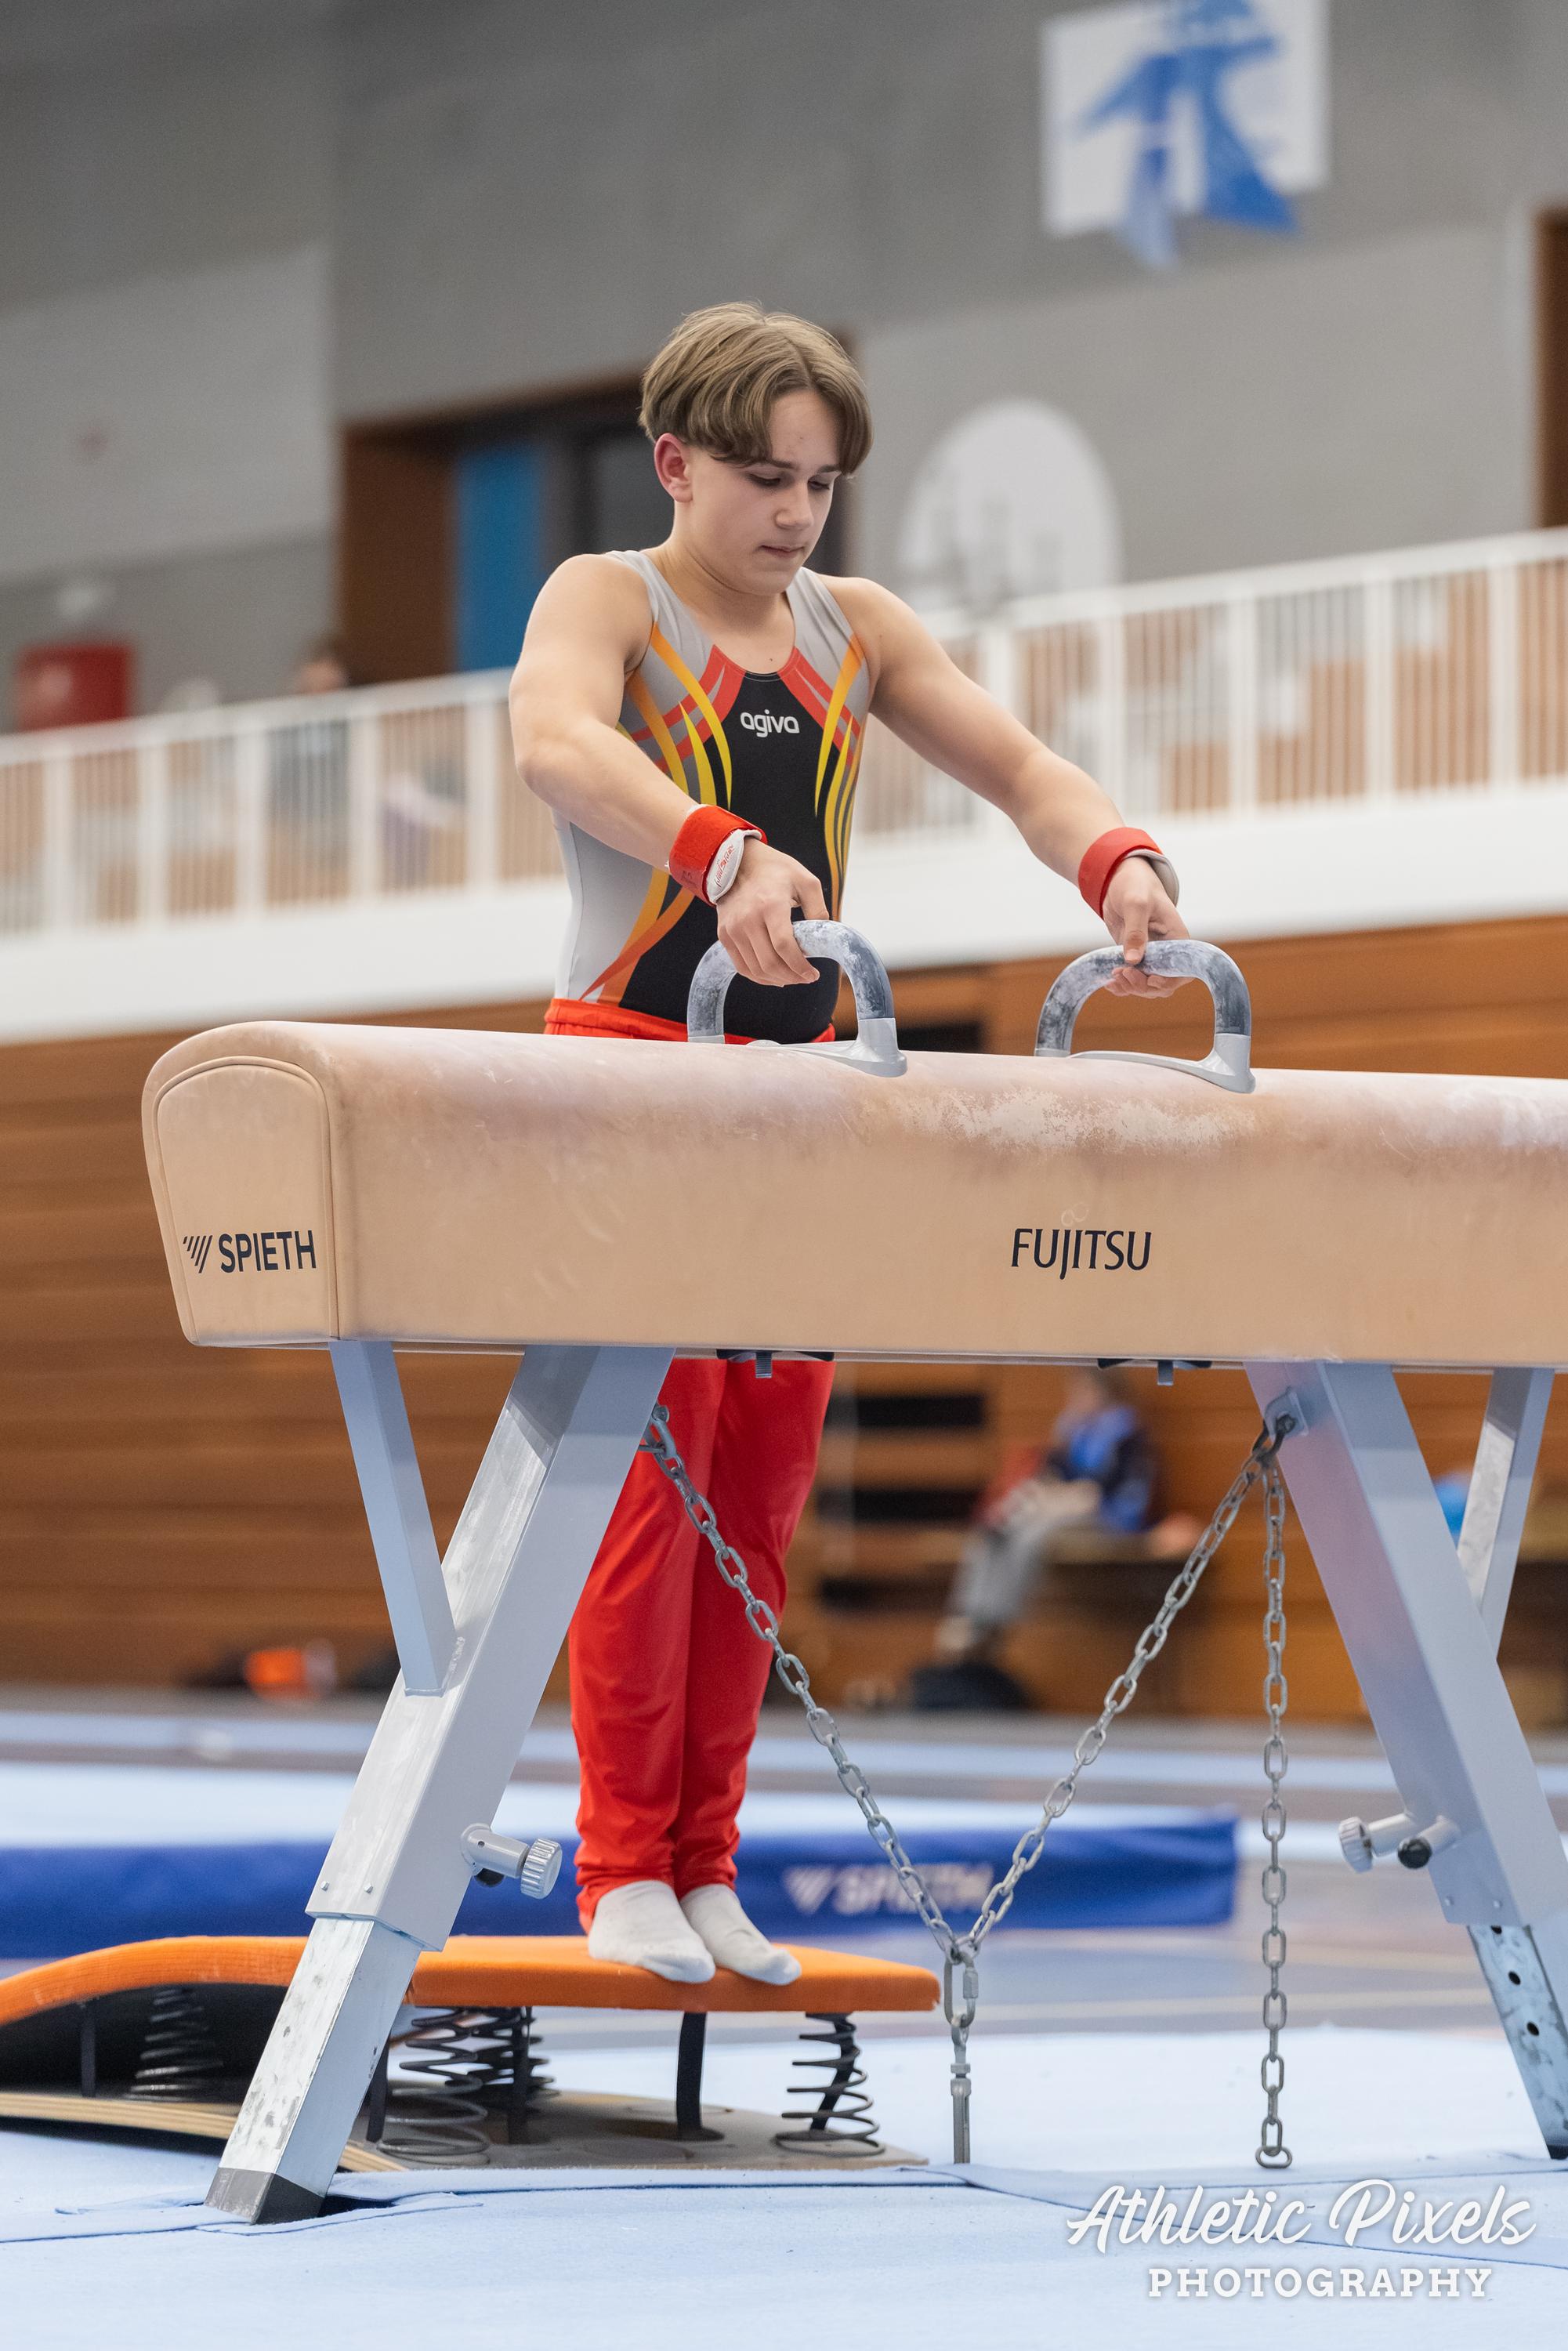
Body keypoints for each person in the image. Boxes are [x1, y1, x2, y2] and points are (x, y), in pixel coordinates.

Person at [509, 302, 1189, 1985]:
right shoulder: (611, 598)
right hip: (636, 1076)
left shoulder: (857, 629)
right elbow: (552, 742)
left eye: (819, 484)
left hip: (804, 1090)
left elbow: (1016, 766)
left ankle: (705, 1859)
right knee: (651, 1481)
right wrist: (717, 849)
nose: (796, 512)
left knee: (756, 1494)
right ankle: (621, 1864)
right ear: (675, 462)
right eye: (765, 477)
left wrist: (1111, 860)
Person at [929, 1371, 1197, 1698]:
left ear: (1102, 1393)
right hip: (1073, 1507)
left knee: (1033, 1536)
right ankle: (971, 1613)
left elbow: (1111, 1490)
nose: (1076, 1399)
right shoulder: (1076, 1429)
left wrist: (1067, 1499)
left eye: (1083, 1392)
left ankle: (1000, 1617)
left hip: (1111, 1516)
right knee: (999, 1530)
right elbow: (1057, 1471)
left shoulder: (1124, 1431)